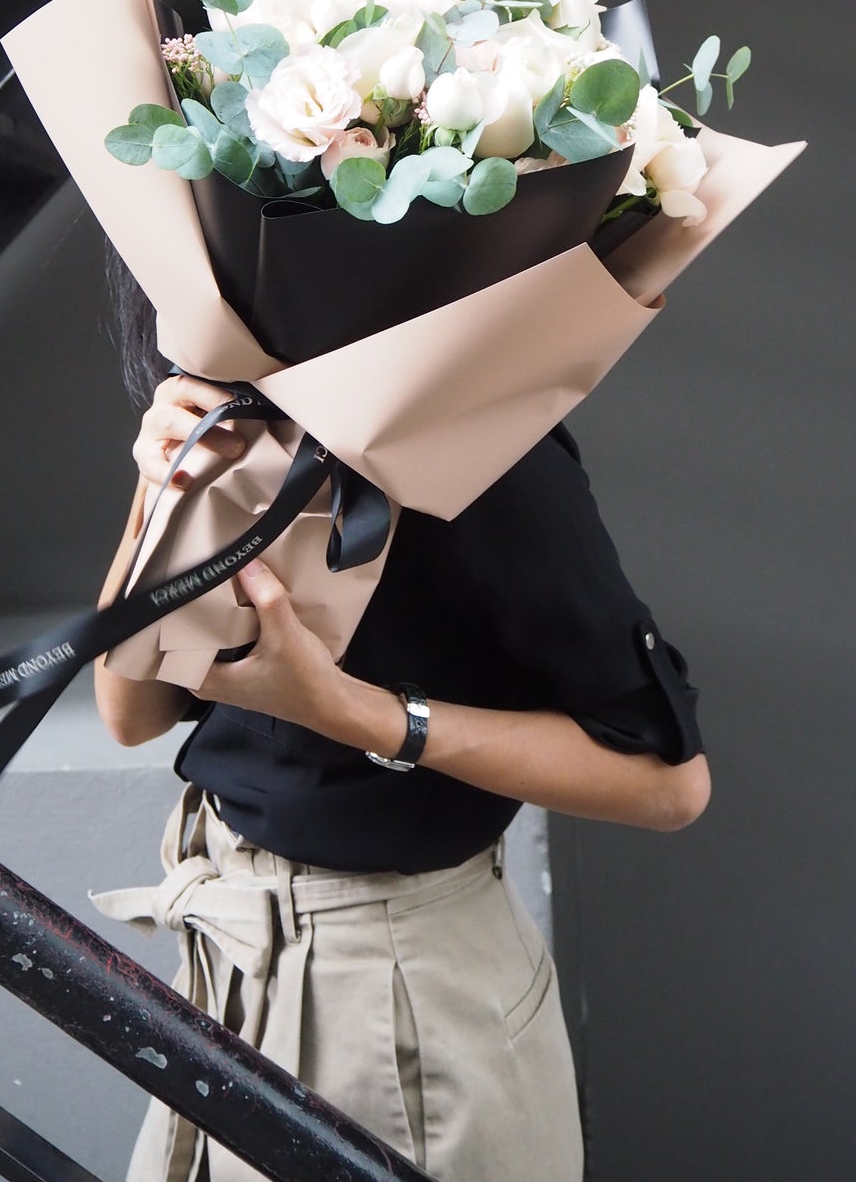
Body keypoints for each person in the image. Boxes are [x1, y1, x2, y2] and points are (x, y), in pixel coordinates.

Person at [91, 276, 710, 1182]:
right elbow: (130, 713)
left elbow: (671, 786)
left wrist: (352, 713)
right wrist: (156, 491)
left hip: (397, 998)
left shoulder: (488, 445)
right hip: (226, 959)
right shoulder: (236, 408)